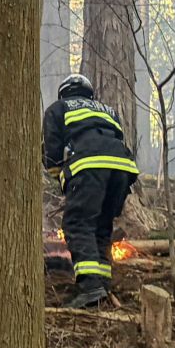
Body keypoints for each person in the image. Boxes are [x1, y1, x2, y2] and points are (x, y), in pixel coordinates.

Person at [42, 72, 140, 308]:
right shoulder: (108, 111)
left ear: (63, 92)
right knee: (102, 226)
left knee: (78, 224)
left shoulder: (58, 109)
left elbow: (52, 152)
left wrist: (61, 178)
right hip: (123, 170)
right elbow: (118, 139)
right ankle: (102, 282)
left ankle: (90, 286)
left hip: (89, 166)